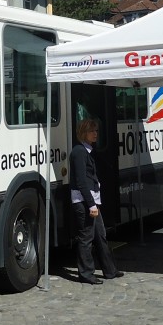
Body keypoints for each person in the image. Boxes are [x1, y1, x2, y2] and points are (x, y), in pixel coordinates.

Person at [68, 118, 120, 285]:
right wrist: (91, 205)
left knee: (101, 235)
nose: (95, 134)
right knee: (86, 237)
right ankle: (86, 274)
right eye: (92, 131)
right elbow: (81, 181)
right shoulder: (79, 152)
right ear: (84, 133)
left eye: (96, 131)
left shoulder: (87, 151)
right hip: (84, 201)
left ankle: (110, 270)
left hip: (91, 200)